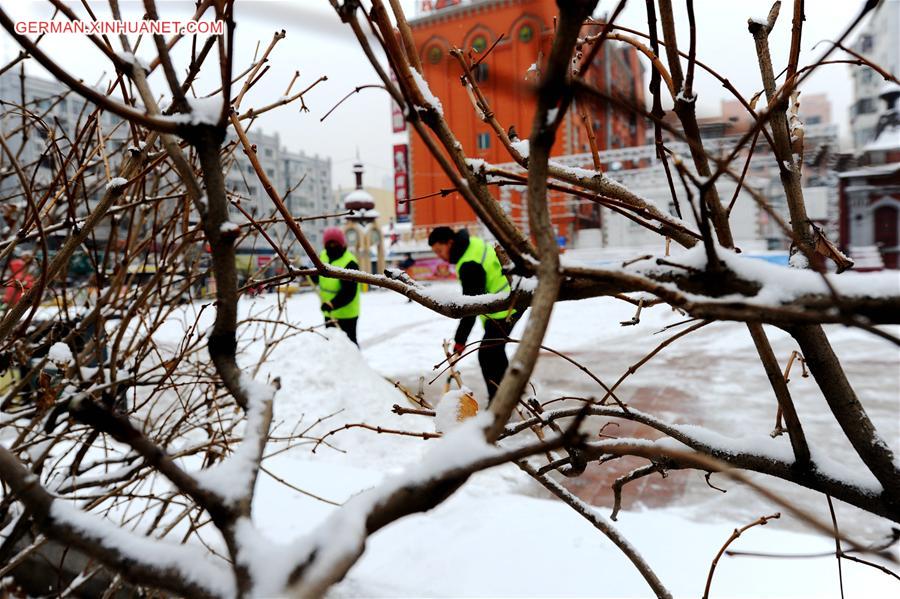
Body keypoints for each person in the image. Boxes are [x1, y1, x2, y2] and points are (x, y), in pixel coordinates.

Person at [428, 226, 519, 401]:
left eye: (440, 250)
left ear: (450, 242)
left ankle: (498, 402)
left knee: (487, 355)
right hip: (510, 300)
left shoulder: (469, 263)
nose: (439, 255)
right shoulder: (472, 244)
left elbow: (471, 306)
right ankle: (508, 394)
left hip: (505, 308)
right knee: (496, 352)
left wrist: (460, 340)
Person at [313, 227, 360, 346]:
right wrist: (310, 273)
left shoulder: (350, 263)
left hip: (347, 314)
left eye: (335, 243)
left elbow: (349, 292)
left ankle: (356, 364)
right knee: (332, 345)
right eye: (329, 243)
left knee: (349, 345)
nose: (332, 246)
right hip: (328, 312)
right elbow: (320, 279)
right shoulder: (323, 256)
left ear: (342, 244)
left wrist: (332, 304)